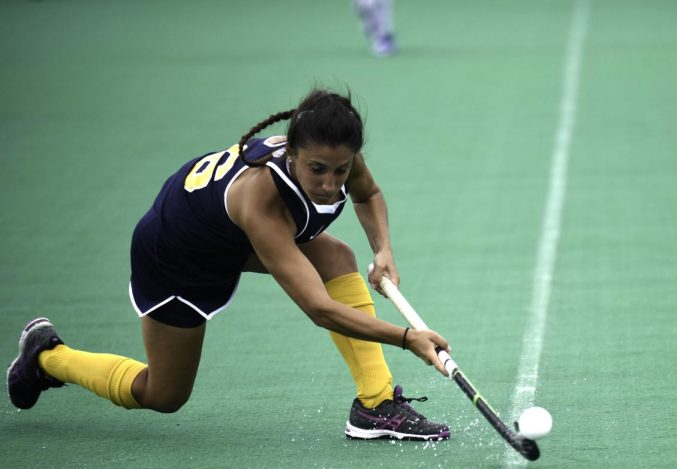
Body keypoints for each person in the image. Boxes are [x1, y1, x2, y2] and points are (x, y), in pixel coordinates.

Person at [6, 88, 452, 442]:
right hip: (176, 257)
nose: (330, 183)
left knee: (338, 256)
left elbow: (367, 195)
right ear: (292, 152)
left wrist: (384, 252)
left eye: (340, 170)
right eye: (317, 169)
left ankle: (375, 404)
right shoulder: (258, 199)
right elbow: (319, 309)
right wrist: (407, 337)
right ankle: (48, 358)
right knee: (164, 394)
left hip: (226, 236)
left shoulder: (336, 155)